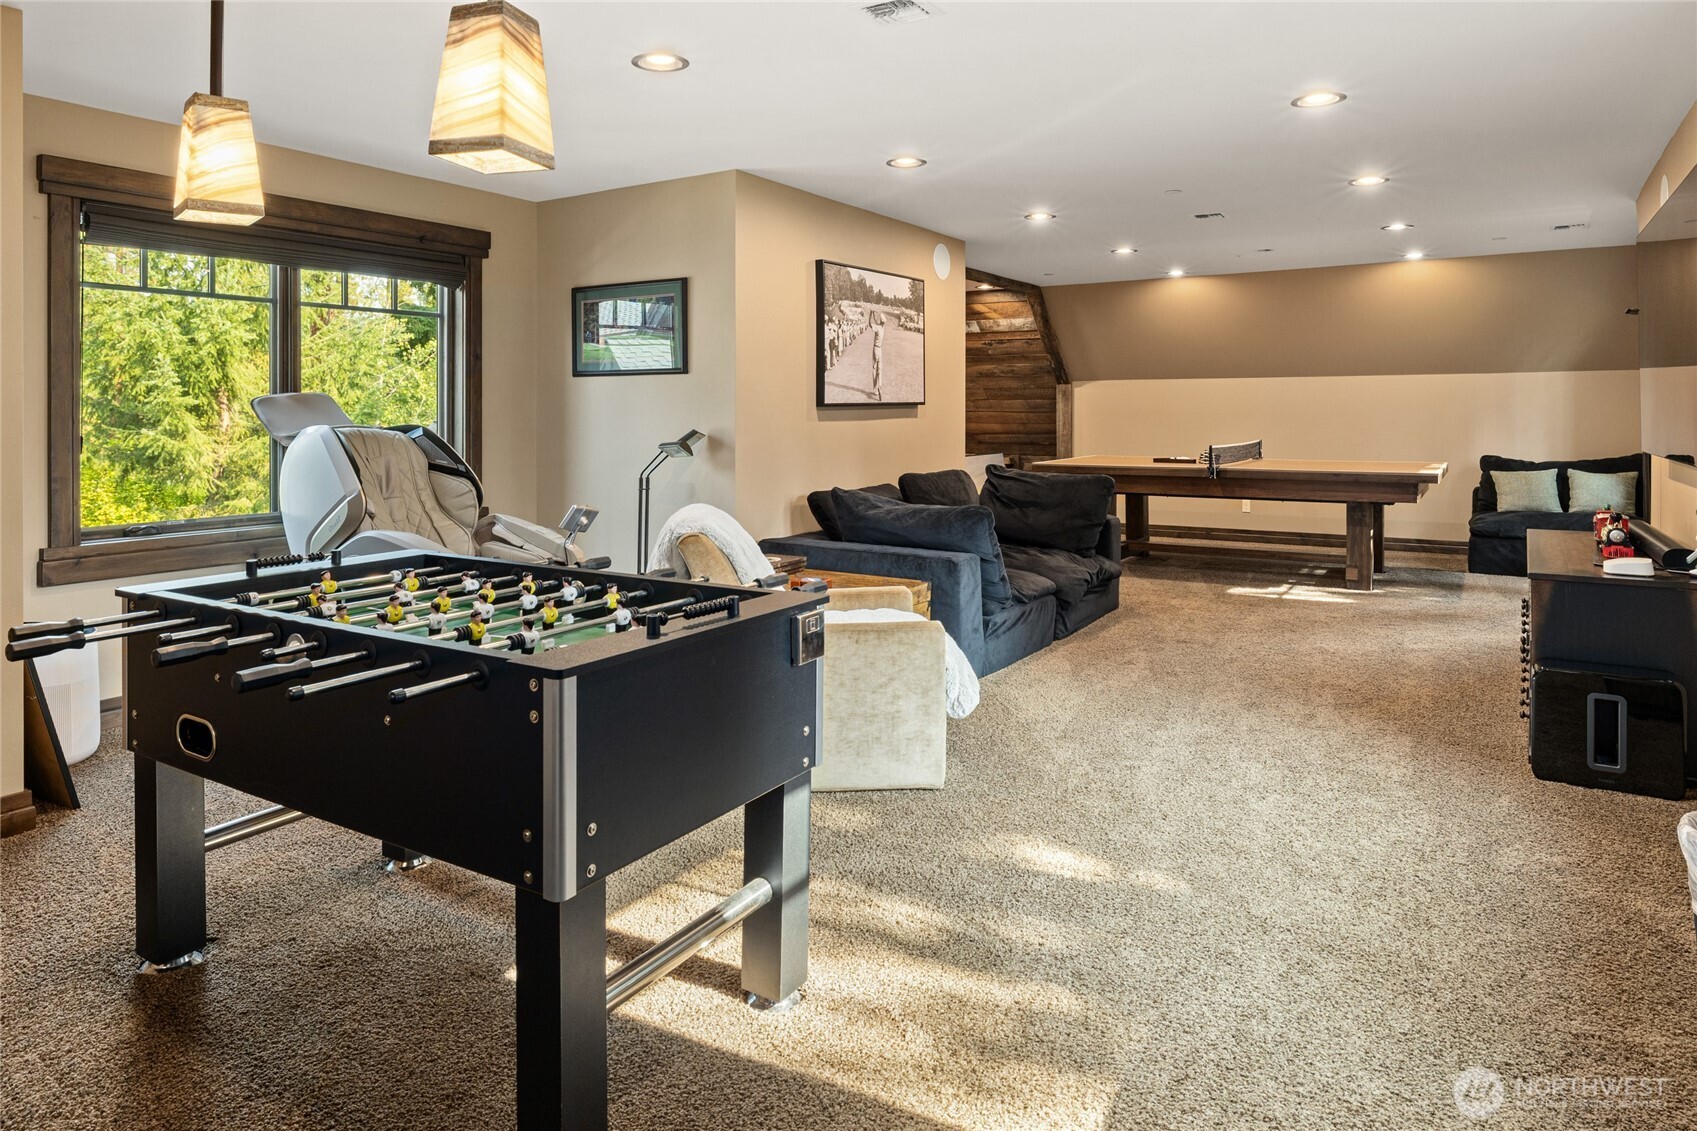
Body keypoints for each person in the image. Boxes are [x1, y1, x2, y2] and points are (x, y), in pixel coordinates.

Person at [870, 310, 886, 401]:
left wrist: (869, 315)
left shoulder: (877, 328)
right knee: (880, 370)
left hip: (875, 349)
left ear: (881, 321)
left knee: (874, 368)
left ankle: (875, 389)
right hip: (880, 350)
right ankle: (879, 387)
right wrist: (873, 315)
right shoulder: (882, 328)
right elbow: (876, 322)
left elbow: (870, 324)